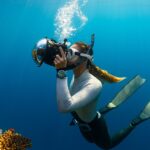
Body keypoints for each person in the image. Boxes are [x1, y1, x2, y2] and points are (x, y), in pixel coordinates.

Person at [53, 40, 150, 149]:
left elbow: (65, 107)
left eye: (70, 53)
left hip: (95, 126)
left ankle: (135, 122)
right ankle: (109, 106)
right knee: (89, 140)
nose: (65, 57)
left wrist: (61, 71)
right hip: (80, 121)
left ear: (84, 58)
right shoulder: (76, 75)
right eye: (66, 52)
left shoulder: (94, 84)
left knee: (106, 146)